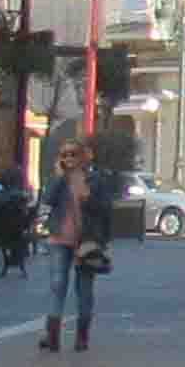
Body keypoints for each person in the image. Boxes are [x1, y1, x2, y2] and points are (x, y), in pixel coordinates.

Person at [39, 139, 128, 355]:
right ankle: (53, 338)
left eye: (72, 154)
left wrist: (104, 242)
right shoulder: (58, 180)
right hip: (60, 239)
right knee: (57, 285)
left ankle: (82, 337)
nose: (68, 159)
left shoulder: (95, 180)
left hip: (86, 241)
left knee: (84, 290)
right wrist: (59, 177)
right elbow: (48, 200)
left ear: (81, 157)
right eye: (64, 155)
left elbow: (104, 210)